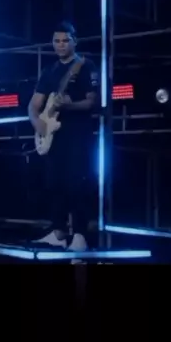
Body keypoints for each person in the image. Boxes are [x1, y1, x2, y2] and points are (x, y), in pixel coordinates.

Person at [28, 21, 99, 252]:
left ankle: (79, 235)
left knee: (77, 183)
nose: (60, 45)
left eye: (65, 40)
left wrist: (70, 106)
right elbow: (34, 105)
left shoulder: (85, 66)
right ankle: (58, 232)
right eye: (56, 41)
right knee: (54, 182)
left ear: (74, 41)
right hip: (53, 136)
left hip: (78, 133)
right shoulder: (49, 71)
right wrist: (37, 123)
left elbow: (91, 102)